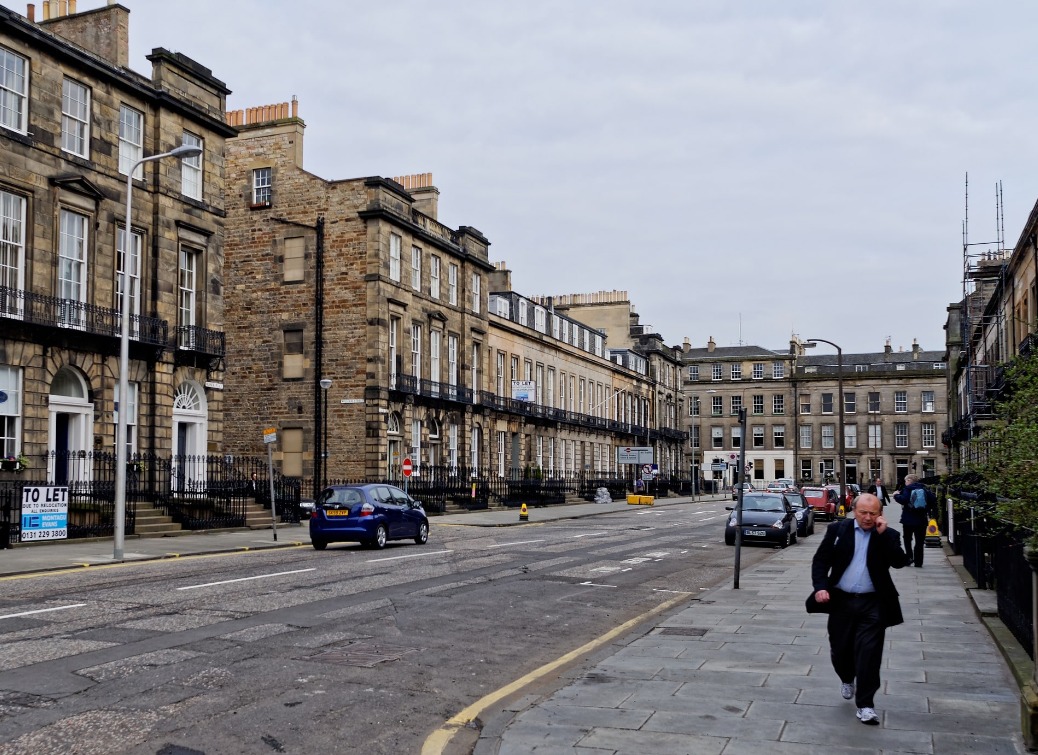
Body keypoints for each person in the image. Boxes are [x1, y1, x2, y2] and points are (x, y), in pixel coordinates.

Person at [811, 493, 907, 725]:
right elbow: (821, 560)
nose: (867, 517)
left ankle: (866, 705)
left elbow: (901, 561)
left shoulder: (889, 535)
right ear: (854, 511)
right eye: (863, 512)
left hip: (873, 603)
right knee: (840, 650)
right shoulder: (838, 530)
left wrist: (883, 536)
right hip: (841, 600)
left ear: (880, 514)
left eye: (873, 513)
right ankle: (846, 677)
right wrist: (821, 587)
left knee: (869, 654)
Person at [894, 474, 935, 567]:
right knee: (919, 541)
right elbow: (933, 500)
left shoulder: (907, 489)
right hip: (921, 520)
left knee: (907, 539)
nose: (905, 482)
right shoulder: (924, 489)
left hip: (908, 519)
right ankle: (918, 562)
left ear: (909, 480)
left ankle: (909, 558)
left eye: (906, 481)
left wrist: (896, 495)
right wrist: (925, 509)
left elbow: (903, 500)